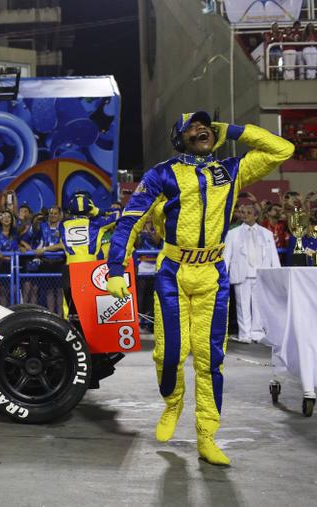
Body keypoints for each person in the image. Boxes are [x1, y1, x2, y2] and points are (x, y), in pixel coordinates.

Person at [106, 111, 294, 465]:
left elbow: (282, 149)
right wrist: (116, 266)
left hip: (213, 275)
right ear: (179, 138)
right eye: (192, 126)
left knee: (211, 360)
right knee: (169, 354)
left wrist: (235, 131)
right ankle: (172, 404)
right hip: (173, 273)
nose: (201, 129)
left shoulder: (232, 169)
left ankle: (207, 435)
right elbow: (131, 219)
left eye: (206, 125)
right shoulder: (162, 173)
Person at [224, 204, 280, 343]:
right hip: (241, 273)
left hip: (261, 274)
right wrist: (222, 274)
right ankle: (245, 333)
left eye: (249, 213)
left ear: (256, 216)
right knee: (242, 306)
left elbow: (273, 255)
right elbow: (226, 256)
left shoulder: (266, 233)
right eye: (243, 212)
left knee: (259, 305)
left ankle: (257, 332)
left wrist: (277, 273)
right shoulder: (233, 233)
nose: (245, 215)